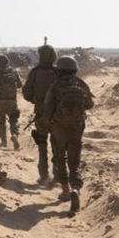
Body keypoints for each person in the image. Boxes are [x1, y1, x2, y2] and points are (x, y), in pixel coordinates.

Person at [43, 55, 94, 213]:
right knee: (74, 161)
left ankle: (65, 191)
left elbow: (47, 110)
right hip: (77, 128)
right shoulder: (80, 84)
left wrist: (48, 123)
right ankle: (76, 189)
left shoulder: (55, 86)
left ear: (59, 70)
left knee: (60, 159)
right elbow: (90, 104)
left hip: (59, 128)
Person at [22, 41, 59, 183]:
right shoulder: (58, 72)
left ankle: (43, 175)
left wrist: (36, 100)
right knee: (56, 144)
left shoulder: (35, 72)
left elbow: (26, 94)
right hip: (57, 114)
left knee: (42, 144)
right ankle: (57, 174)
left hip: (40, 112)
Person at [0, 54, 23, 150]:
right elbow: (20, 85)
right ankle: (14, 135)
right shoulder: (13, 72)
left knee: (1, 121)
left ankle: (4, 142)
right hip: (12, 101)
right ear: (7, 62)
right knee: (14, 120)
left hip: (0, 101)